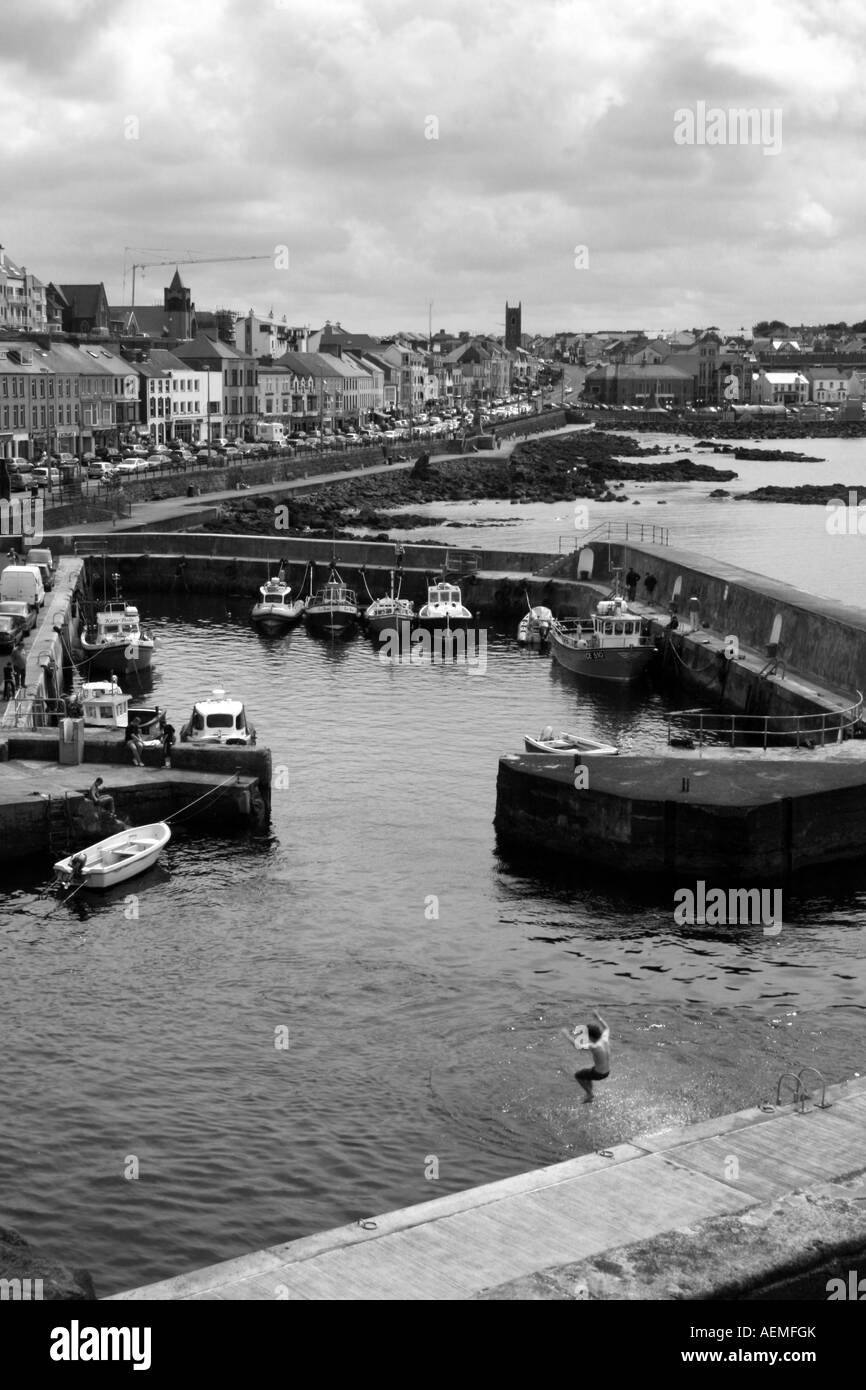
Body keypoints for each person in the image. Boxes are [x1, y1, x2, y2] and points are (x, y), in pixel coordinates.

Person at [564, 1009, 610, 1102]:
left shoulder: (594, 1046)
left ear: (591, 1037)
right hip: (607, 1071)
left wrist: (567, 1035)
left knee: (578, 1075)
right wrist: (598, 1017)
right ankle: (589, 1092)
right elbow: (606, 1028)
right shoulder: (605, 1038)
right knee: (587, 1073)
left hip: (599, 1074)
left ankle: (589, 1094)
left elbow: (577, 1046)